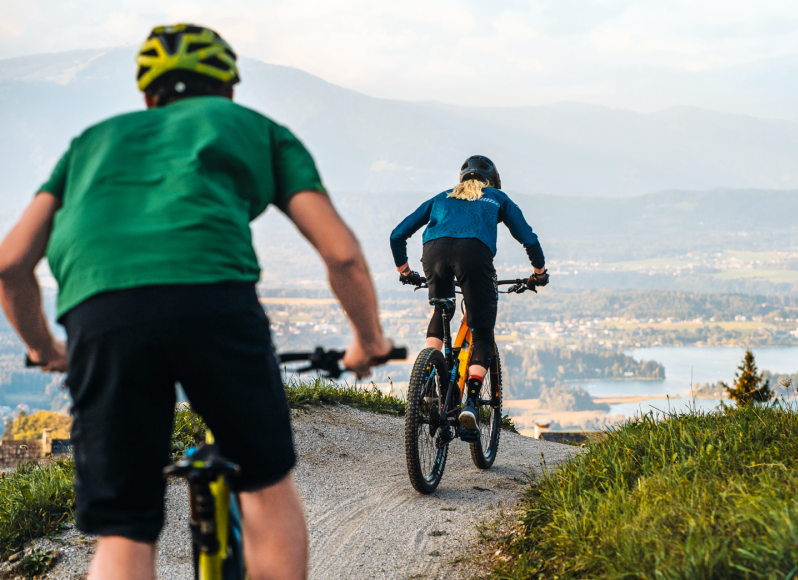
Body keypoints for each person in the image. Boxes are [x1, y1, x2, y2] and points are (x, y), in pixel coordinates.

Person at [0, 24, 392, 580]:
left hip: (101, 314)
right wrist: (369, 341)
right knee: (263, 483)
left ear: (147, 97)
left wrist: (45, 348)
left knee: (124, 529)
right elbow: (343, 254)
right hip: (213, 301)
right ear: (229, 88)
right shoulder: (258, 129)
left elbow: (10, 263)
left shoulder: (92, 142)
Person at [390, 155, 548, 430]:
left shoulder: (442, 197)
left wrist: (405, 271)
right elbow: (529, 239)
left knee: (442, 309)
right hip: (474, 255)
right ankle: (471, 405)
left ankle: (428, 380)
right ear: (492, 182)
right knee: (482, 331)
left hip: (434, 253)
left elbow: (397, 235)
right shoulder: (497, 197)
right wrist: (539, 274)